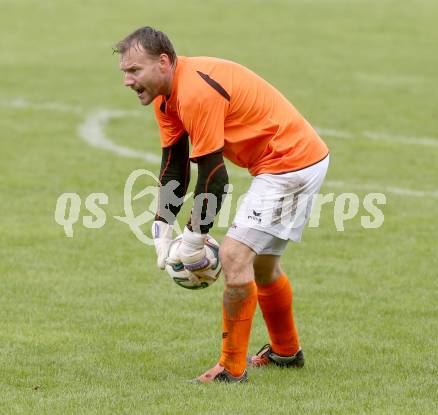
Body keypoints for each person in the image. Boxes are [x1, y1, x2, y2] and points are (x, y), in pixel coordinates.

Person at [115, 26, 329, 383]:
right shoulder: (166, 98)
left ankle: (231, 368)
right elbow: (174, 167)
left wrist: (195, 238)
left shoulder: (196, 92)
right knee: (262, 265)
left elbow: (214, 177)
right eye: (124, 71)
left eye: (134, 70)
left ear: (163, 63)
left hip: (289, 163)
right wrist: (162, 229)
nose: (126, 80)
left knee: (233, 256)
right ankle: (286, 351)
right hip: (292, 159)